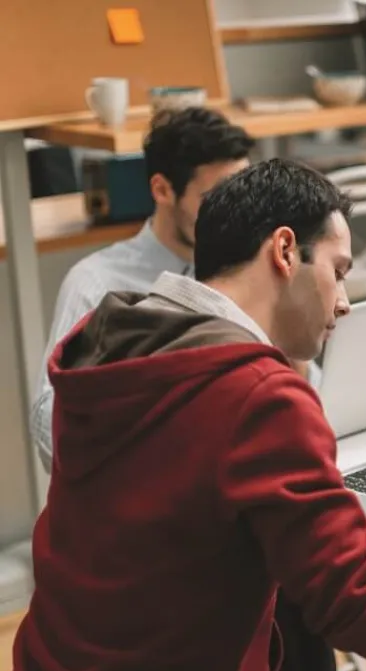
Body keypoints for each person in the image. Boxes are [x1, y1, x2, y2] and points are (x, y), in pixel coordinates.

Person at [9, 159, 366, 671]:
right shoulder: (261, 396)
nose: (344, 301)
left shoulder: (111, 345)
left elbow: (169, 517)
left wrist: (335, 532)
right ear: (285, 251)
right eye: (338, 272)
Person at [30, 106, 256, 473]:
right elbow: (47, 418)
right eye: (216, 198)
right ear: (162, 190)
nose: (236, 215)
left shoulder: (248, 266)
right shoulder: (97, 283)